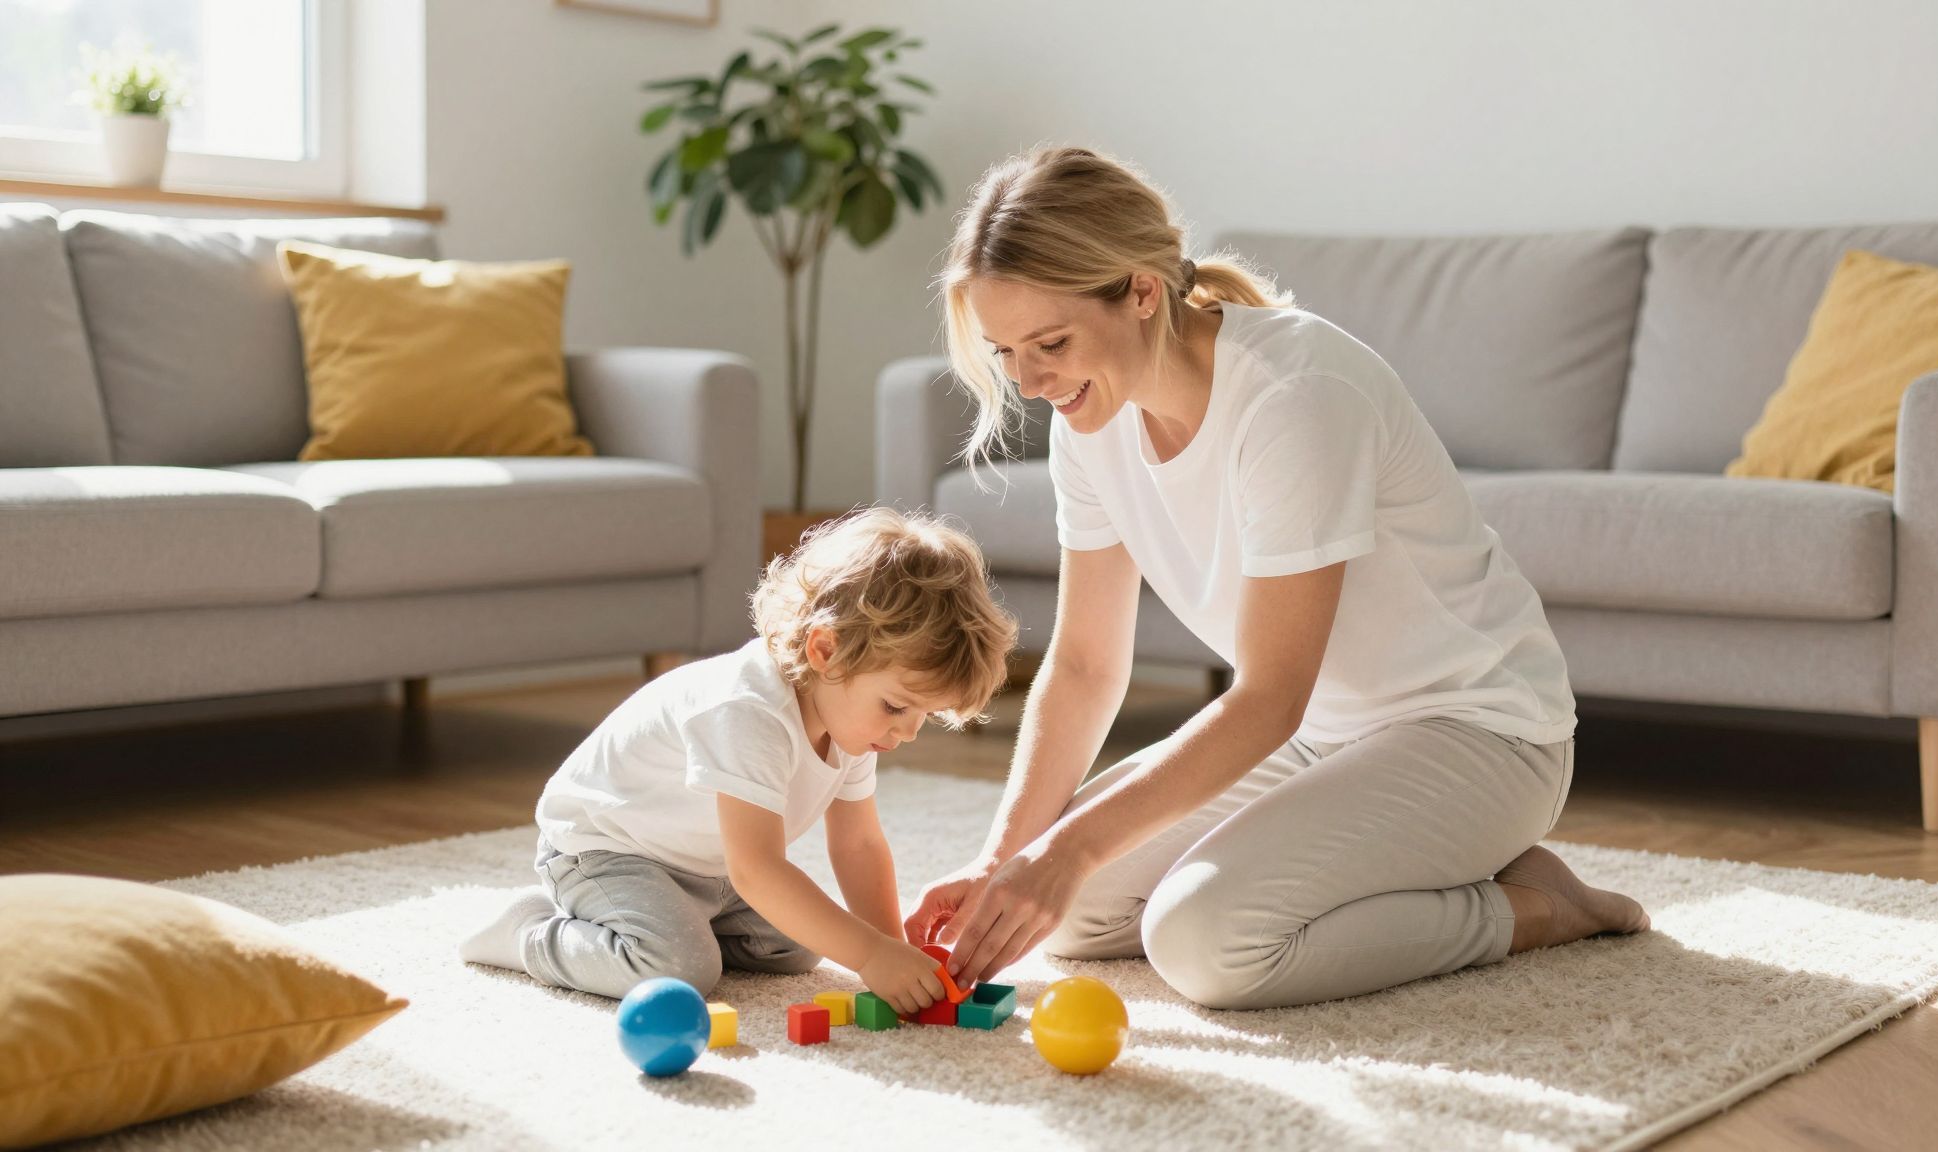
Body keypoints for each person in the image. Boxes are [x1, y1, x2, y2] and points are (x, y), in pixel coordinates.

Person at [904, 146, 1649, 1011]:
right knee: (1070, 914)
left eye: (1051, 344)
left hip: (1478, 730)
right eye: (1005, 353)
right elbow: (1083, 668)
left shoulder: (1295, 397)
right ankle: (1406, 860)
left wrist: (1063, 850)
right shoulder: (1090, 423)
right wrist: (1004, 861)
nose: (1030, 384)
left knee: (1205, 939)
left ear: (1142, 291)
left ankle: (1532, 906)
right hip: (1322, 740)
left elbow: (1267, 698)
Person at [460, 507, 1017, 1017]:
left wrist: (890, 951)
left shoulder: (851, 723)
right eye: (897, 706)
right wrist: (870, 956)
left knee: (800, 946)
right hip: (604, 850)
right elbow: (757, 869)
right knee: (680, 968)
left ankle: (676, 921)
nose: (909, 731)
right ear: (826, 652)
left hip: (710, 869)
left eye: (924, 715)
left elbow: (858, 844)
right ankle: (530, 932)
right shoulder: (749, 710)